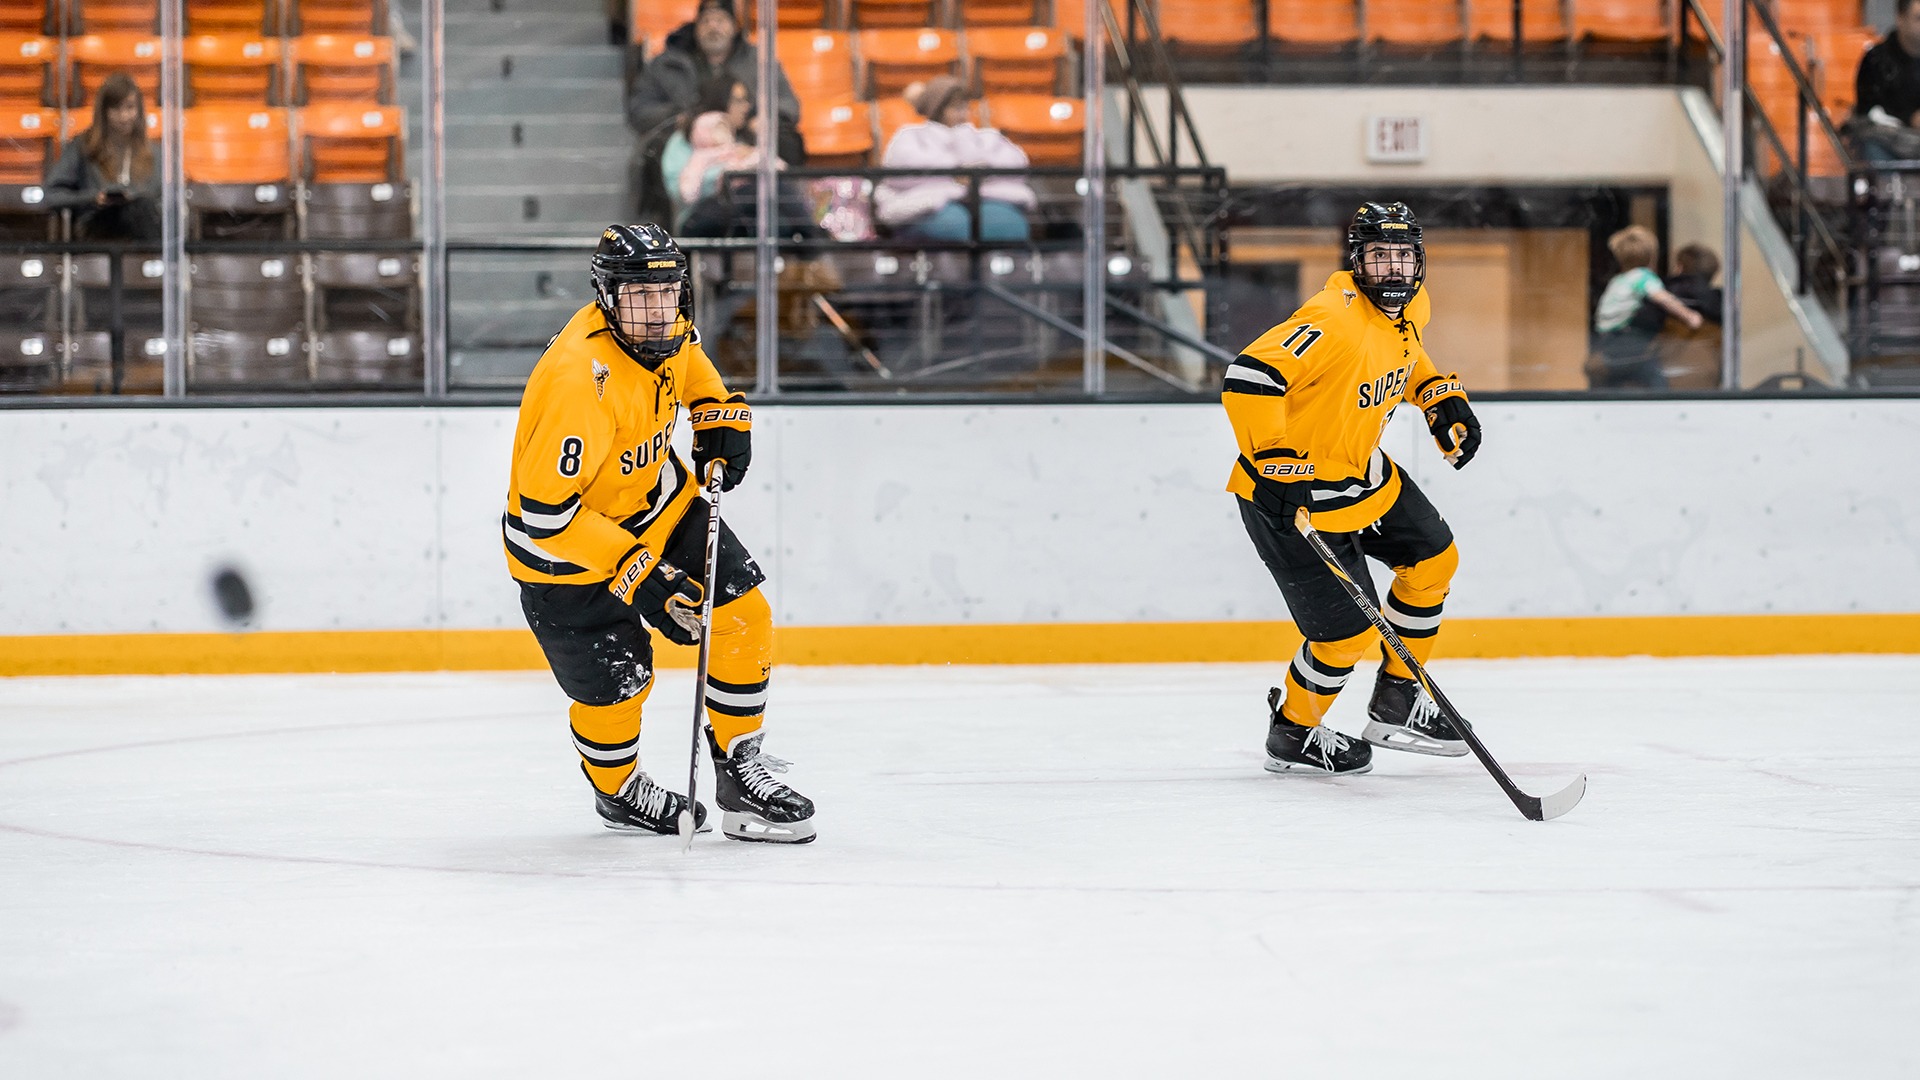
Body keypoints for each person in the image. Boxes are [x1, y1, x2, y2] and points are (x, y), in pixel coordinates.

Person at [503, 222, 815, 843]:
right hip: (567, 557)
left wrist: (719, 412)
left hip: (661, 510)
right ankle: (617, 790)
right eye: (639, 296)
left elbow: (696, 371)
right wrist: (636, 572)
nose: (656, 311)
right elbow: (546, 517)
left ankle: (739, 771)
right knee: (619, 685)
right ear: (607, 296)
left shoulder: (668, 335)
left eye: (668, 292)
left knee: (743, 614)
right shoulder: (578, 380)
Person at [1223, 201, 1483, 776]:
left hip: (1364, 476)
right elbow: (1249, 376)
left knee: (1435, 562)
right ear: (1356, 261)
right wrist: (1272, 465)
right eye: (1379, 256)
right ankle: (1293, 732)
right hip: (1294, 497)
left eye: (1404, 256)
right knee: (1344, 638)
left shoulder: (1411, 305)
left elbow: (1405, 356)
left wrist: (1439, 396)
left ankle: (1395, 703)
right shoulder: (1332, 319)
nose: (1393, 269)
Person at [628, 0, 803, 167]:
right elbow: (639, 109)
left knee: (787, 142)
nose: (713, 27)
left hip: (744, 141)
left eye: (720, 20)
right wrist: (679, 119)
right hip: (686, 144)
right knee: (655, 151)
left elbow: (789, 105)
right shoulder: (667, 64)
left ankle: (781, 197)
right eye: (706, 21)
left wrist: (761, 118)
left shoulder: (758, 61)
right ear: (695, 29)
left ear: (735, 27)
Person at [874, 75, 1036, 243]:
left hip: (987, 197)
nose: (964, 114)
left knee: (1007, 225)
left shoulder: (985, 136)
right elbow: (899, 171)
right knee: (954, 226)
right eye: (956, 108)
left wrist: (981, 169)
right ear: (937, 109)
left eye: (966, 107)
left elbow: (1017, 164)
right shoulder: (910, 135)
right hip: (927, 204)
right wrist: (955, 173)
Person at [41, 73, 160, 242]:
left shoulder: (154, 152)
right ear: (103, 112)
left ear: (139, 110)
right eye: (116, 109)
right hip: (98, 228)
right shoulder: (83, 146)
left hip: (141, 227)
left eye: (130, 107)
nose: (124, 116)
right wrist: (93, 198)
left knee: (142, 208)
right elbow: (51, 195)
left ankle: (154, 262)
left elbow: (164, 198)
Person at [1588, 224, 1703, 390]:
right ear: (1652, 257)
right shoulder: (1643, 277)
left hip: (1606, 342)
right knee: (1654, 375)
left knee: (1613, 380)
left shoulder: (1618, 281)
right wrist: (1689, 316)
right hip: (1628, 340)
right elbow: (1663, 298)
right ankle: (1663, 402)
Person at [1851, 0, 1920, 161]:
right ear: (1900, 19)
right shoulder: (1875, 59)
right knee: (1871, 146)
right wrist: (1910, 117)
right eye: (1918, 18)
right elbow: (1867, 110)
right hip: (1887, 141)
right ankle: (1885, 186)